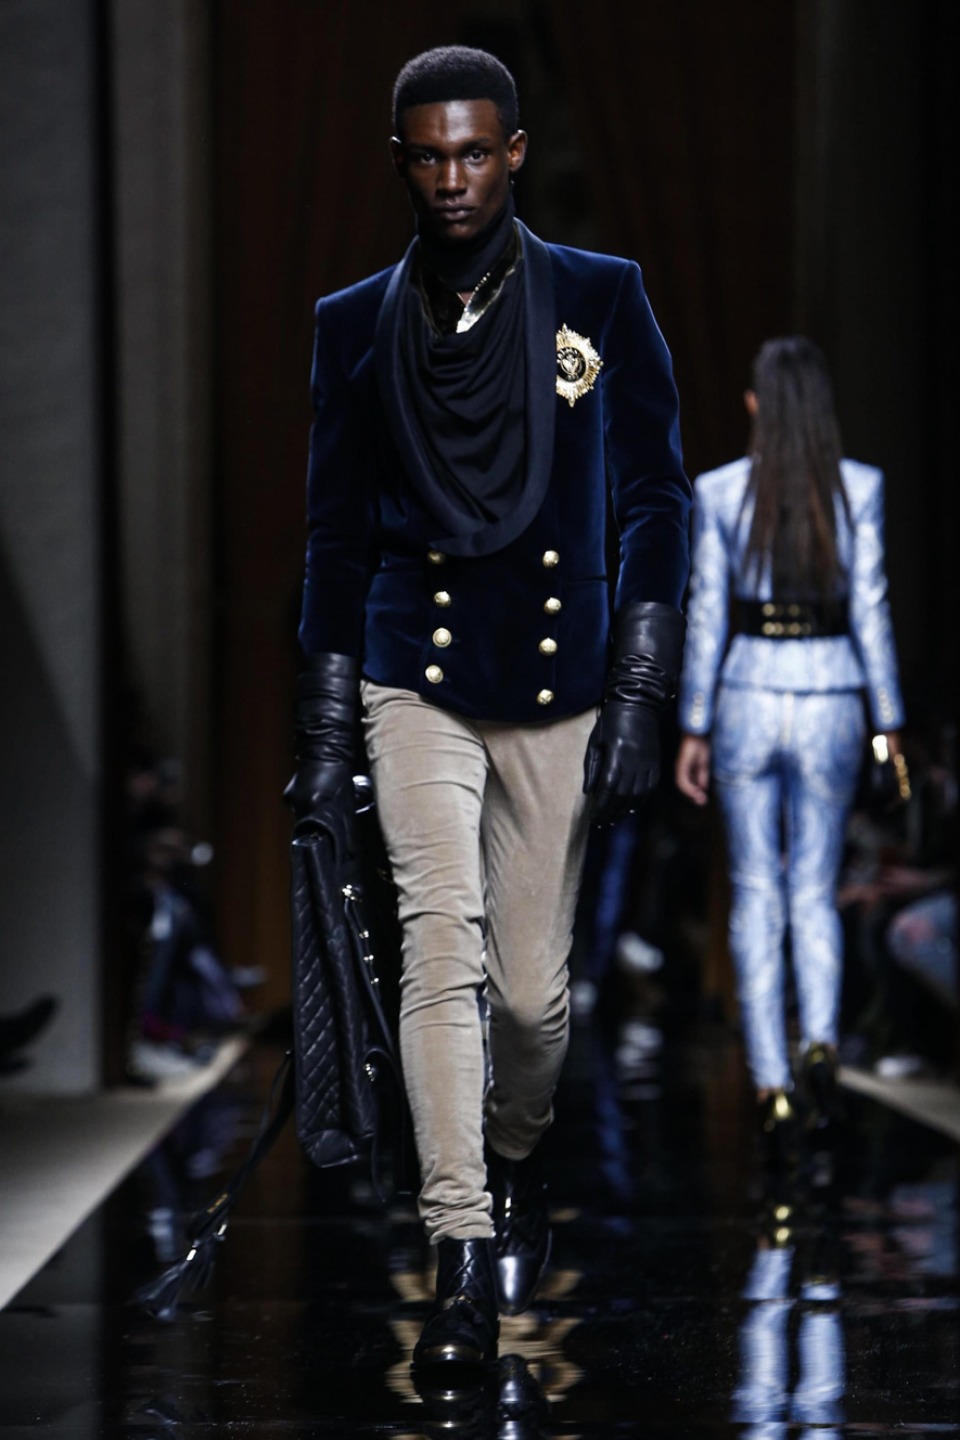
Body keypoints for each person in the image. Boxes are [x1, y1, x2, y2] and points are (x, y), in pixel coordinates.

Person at [286, 46, 690, 1372]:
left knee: (530, 1005)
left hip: (563, 683)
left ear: (513, 152)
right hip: (418, 671)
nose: (453, 177)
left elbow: (654, 498)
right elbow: (334, 536)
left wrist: (642, 688)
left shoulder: (602, 296)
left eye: (474, 152)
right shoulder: (353, 323)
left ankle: (516, 1152)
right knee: (437, 946)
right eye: (429, 155)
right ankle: (458, 1252)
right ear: (401, 162)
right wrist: (329, 723)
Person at [675, 336, 904, 1174]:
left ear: (756, 405)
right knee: (814, 886)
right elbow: (871, 607)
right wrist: (889, 720)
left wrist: (694, 724)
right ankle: (821, 1042)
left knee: (754, 893)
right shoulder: (859, 488)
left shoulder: (720, 492)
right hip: (833, 691)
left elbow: (707, 613)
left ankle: (771, 1082)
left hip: (745, 692)